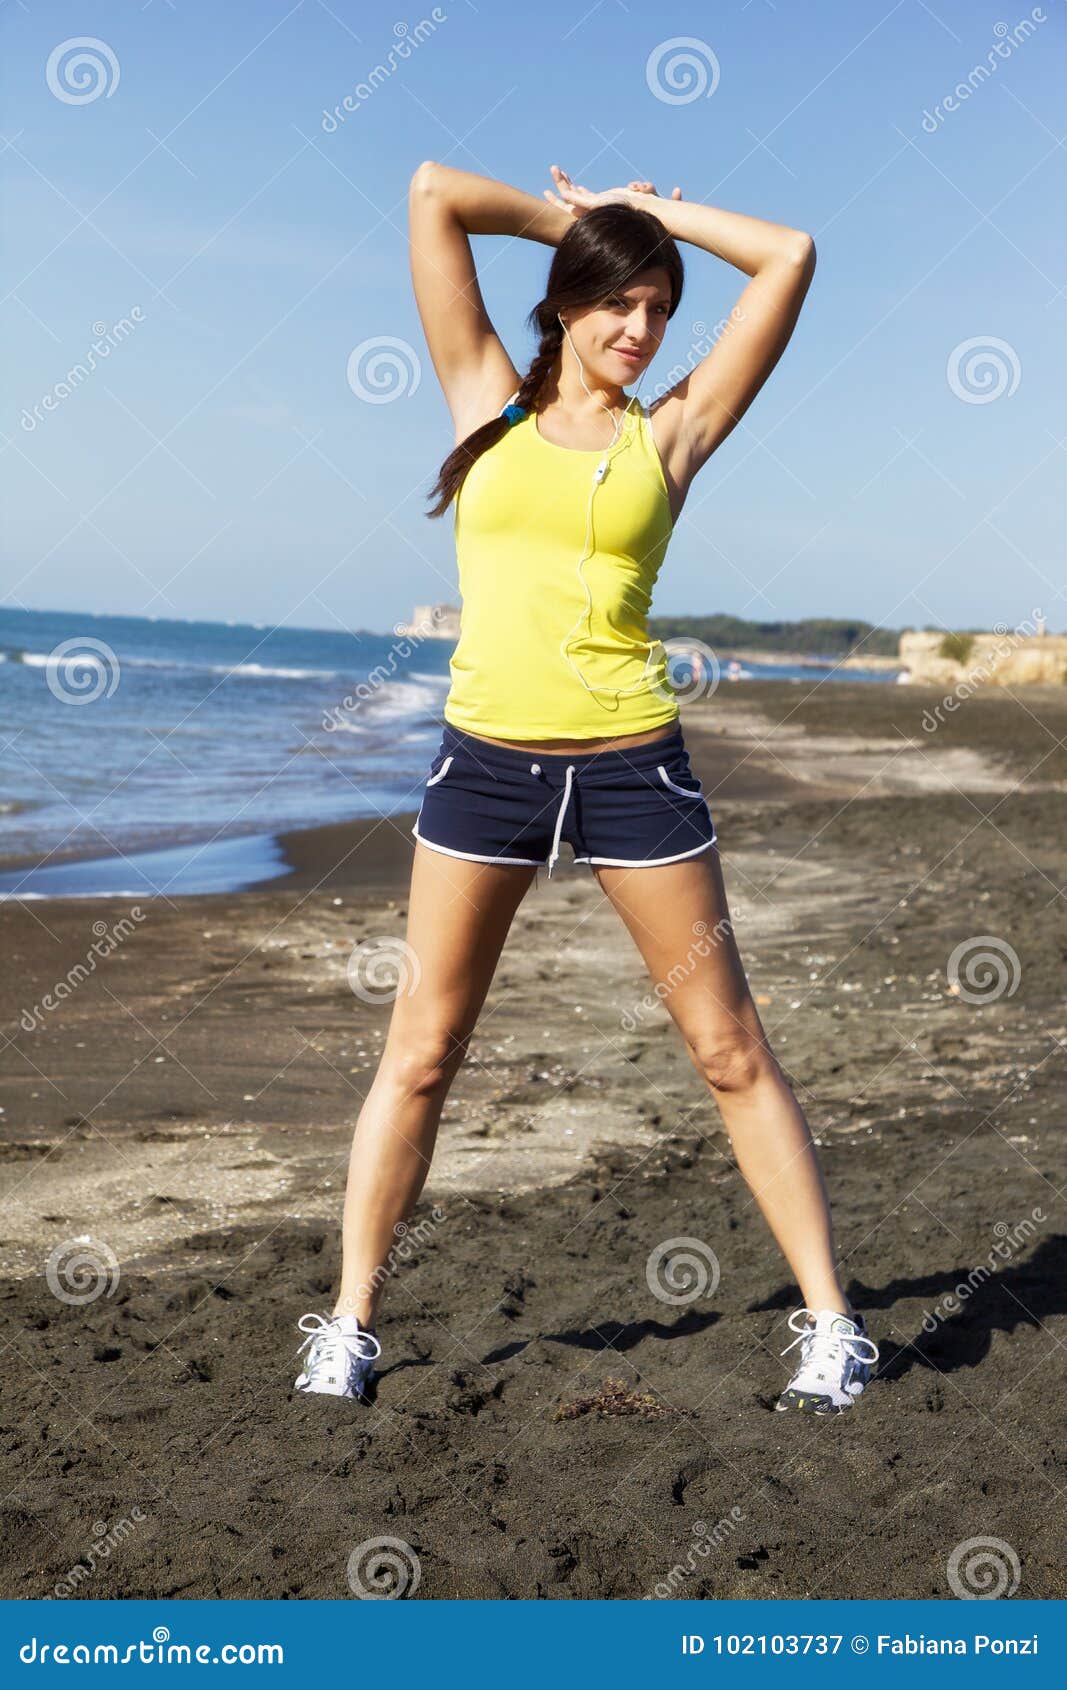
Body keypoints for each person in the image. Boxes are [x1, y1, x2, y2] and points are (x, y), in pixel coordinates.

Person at [294, 162, 879, 1416]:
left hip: (631, 765)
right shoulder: (482, 400)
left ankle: (832, 1324)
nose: (642, 328)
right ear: (565, 304)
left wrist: (649, 216)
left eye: (660, 306)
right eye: (619, 301)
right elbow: (430, 193)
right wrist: (589, 228)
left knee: (726, 1049)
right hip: (483, 761)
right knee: (422, 1052)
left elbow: (788, 251)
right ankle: (347, 1324)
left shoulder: (669, 432)